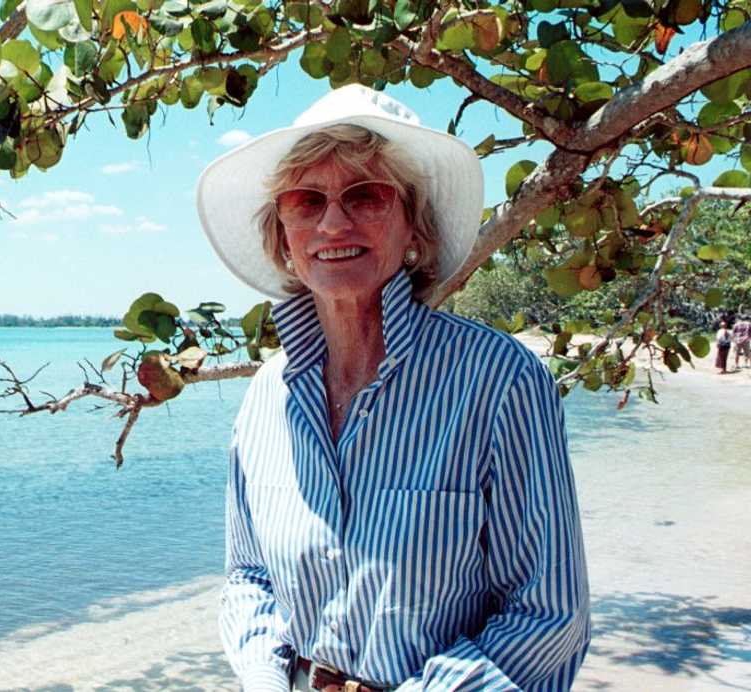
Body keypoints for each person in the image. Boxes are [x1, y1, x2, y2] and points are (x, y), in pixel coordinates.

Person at [197, 85, 590, 691]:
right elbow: (249, 577)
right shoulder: (266, 396)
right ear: (283, 235)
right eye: (306, 200)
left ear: (415, 227)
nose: (333, 221)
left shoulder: (499, 380)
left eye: (366, 195)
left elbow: (548, 617)